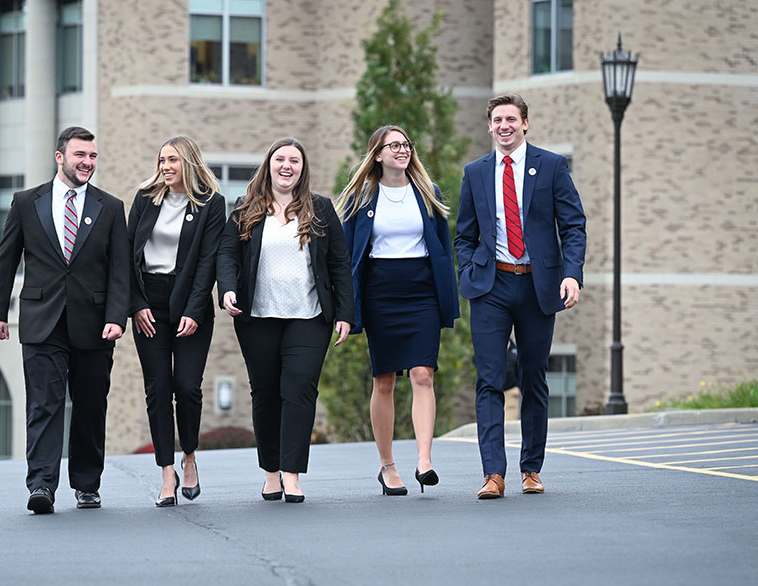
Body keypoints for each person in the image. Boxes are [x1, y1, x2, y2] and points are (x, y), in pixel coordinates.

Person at [0, 126, 129, 514]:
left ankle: (87, 485)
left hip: (95, 323)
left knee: (89, 406)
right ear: (60, 157)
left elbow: (120, 270)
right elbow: (6, 259)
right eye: (80, 155)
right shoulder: (25, 202)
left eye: (93, 156)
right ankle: (41, 486)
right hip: (41, 320)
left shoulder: (111, 207)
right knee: (44, 405)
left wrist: (118, 317)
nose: (87, 162)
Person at [454, 93, 586, 499]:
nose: (504, 125)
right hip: (491, 286)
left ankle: (531, 468)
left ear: (525, 123)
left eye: (511, 118)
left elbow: (574, 225)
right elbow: (464, 234)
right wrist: (468, 271)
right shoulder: (475, 172)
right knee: (490, 379)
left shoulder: (550, 166)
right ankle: (493, 473)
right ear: (490, 126)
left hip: (537, 285)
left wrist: (571, 274)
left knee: (534, 376)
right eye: (497, 119)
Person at [217, 137, 354, 503]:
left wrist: (345, 314)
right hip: (258, 317)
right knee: (265, 393)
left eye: (294, 160)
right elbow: (227, 256)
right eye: (280, 159)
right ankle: (271, 473)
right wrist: (227, 290)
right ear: (269, 165)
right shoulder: (245, 209)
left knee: (299, 390)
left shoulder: (321, 209)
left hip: (309, 317)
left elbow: (340, 264)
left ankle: (292, 475)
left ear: (302, 168)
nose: (287, 166)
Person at [338, 125, 460, 496]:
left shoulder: (428, 193)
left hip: (420, 290)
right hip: (379, 292)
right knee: (385, 380)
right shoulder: (361, 196)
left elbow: (441, 249)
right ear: (377, 154)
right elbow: (347, 255)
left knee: (423, 373)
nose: (402, 150)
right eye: (394, 146)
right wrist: (345, 306)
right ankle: (387, 465)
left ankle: (424, 460)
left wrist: (446, 296)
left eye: (406, 145)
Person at [127, 136, 225, 507]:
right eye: (162, 160)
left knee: (186, 386)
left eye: (173, 160)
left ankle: (189, 456)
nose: (166, 166)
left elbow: (208, 263)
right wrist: (136, 305)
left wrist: (194, 310)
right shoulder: (144, 199)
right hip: (148, 303)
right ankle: (167, 472)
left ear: (190, 163)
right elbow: (127, 254)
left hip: (189, 305)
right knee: (157, 389)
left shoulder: (211, 205)